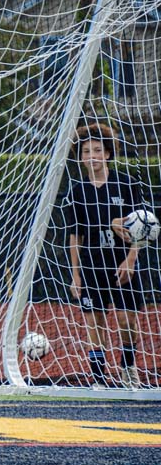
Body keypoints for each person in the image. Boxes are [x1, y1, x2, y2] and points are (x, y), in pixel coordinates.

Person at [64, 123, 147, 389]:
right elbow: (75, 236)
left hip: (122, 264)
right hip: (91, 264)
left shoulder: (126, 184)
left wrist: (131, 259)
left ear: (108, 154)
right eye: (87, 151)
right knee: (95, 320)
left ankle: (127, 367)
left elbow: (144, 224)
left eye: (98, 151)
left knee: (127, 320)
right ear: (81, 157)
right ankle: (98, 376)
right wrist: (75, 275)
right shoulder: (77, 191)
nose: (92, 156)